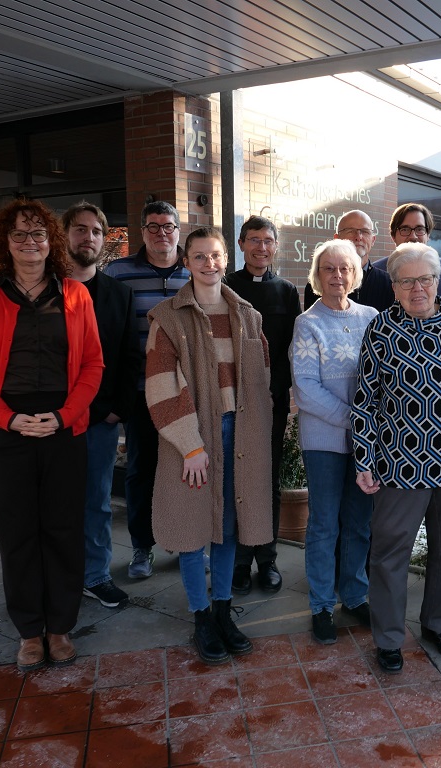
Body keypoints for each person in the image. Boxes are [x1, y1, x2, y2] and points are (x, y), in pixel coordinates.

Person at [0, 199, 103, 672]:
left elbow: (93, 364)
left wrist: (64, 416)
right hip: (6, 431)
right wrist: (6, 418)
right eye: (19, 235)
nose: (30, 242)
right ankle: (28, 631)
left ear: (51, 242)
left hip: (63, 427)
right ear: (5, 242)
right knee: (17, 533)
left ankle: (59, 626)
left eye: (38, 234)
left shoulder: (76, 295)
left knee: (62, 530)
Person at [352, 242, 441, 674]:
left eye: (424, 279)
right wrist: (364, 457)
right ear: (394, 287)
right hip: (400, 463)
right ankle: (389, 637)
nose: (417, 288)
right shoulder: (381, 329)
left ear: (437, 281)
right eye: (406, 281)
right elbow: (364, 399)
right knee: (390, 551)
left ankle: (438, 624)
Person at [145, 226, 273, 665]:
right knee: (193, 529)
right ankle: (201, 616)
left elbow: (262, 379)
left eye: (215, 255)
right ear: (187, 261)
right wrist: (190, 446)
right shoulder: (168, 317)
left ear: (225, 258)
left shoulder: (248, 315)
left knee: (229, 528)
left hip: (242, 435)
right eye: (199, 256)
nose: (209, 264)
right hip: (196, 436)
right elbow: (162, 385)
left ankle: (222, 610)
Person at [291, 239, 378, 644]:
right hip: (324, 439)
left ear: (356, 273)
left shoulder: (373, 317)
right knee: (324, 524)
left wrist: (368, 427)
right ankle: (322, 605)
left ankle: (355, 595)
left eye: (345, 268)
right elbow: (306, 389)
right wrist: (355, 420)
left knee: (359, 522)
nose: (337, 276)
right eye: (329, 268)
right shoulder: (308, 323)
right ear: (317, 275)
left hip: (366, 444)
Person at [104, 201, 190, 580]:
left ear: (178, 231)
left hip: (186, 393)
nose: (161, 233)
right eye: (153, 227)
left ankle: (185, 542)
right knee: (141, 470)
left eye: (168, 226)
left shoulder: (194, 272)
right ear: (142, 231)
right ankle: (142, 547)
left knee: (187, 468)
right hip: (141, 392)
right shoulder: (119, 272)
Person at [64, 202, 141, 609]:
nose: (88, 237)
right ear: (66, 237)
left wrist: (117, 411)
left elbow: (131, 357)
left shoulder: (119, 294)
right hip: (51, 420)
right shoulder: (42, 289)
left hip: (100, 419)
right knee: (53, 500)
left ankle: (95, 576)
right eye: (80, 230)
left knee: (95, 501)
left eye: (96, 231)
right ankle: (59, 574)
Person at [225, 215, 302, 595]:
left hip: (270, 401)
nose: (261, 247)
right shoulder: (225, 287)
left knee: (268, 480)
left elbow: (291, 352)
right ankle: (240, 562)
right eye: (253, 240)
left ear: (275, 246)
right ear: (241, 244)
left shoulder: (288, 292)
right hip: (231, 401)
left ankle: (267, 558)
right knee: (238, 480)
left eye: (267, 241)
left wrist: (286, 395)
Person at [303, 210, 393, 312]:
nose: (358, 237)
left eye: (365, 231)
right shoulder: (320, 284)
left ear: (373, 240)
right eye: (351, 231)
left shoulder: (389, 284)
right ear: (336, 238)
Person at [373, 203, 441, 296]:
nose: (413, 236)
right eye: (405, 229)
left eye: (419, 229)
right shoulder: (375, 273)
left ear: (428, 235)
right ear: (393, 236)